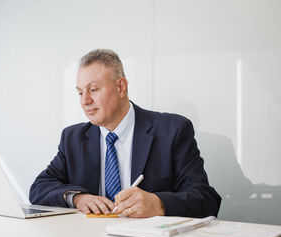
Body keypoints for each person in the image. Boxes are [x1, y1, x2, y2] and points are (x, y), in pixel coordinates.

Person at [29, 49, 221, 218]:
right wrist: (77, 198)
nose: (85, 101)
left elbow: (206, 199)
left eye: (93, 89)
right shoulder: (73, 138)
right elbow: (39, 188)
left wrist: (159, 204)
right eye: (80, 92)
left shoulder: (172, 130)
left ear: (121, 87)